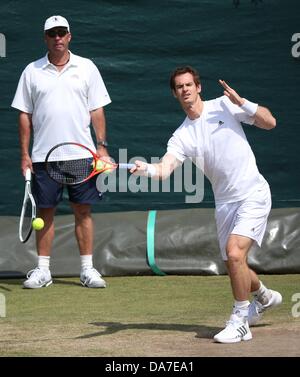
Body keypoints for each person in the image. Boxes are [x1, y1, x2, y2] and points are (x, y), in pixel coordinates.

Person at [131, 66, 282, 343]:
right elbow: (165, 170)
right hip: (224, 203)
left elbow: (270, 122)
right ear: (175, 94)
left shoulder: (225, 105)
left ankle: (240, 320)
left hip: (253, 193)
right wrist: (145, 169)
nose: (185, 89)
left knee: (234, 253)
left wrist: (243, 103)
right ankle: (264, 296)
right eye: (179, 87)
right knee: (234, 263)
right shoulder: (181, 136)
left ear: (198, 87)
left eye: (189, 84)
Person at [12, 15, 111, 289]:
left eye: (61, 32)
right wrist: (25, 154)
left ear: (69, 36)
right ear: (45, 38)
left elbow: (97, 110)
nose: (57, 37)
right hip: (44, 157)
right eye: (52, 33)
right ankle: (43, 271)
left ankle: (87, 269)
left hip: (82, 155)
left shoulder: (87, 68)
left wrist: (101, 148)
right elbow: (24, 115)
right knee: (44, 215)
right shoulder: (31, 71)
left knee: (83, 211)